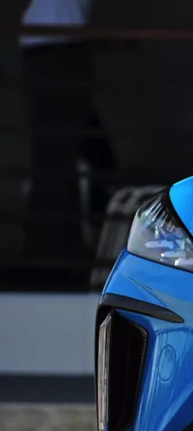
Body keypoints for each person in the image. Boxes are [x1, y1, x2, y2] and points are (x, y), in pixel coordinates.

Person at [18, 0, 107, 290]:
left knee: (57, 159)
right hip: (53, 48)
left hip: (56, 48)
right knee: (56, 160)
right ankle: (53, 256)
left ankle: (52, 256)